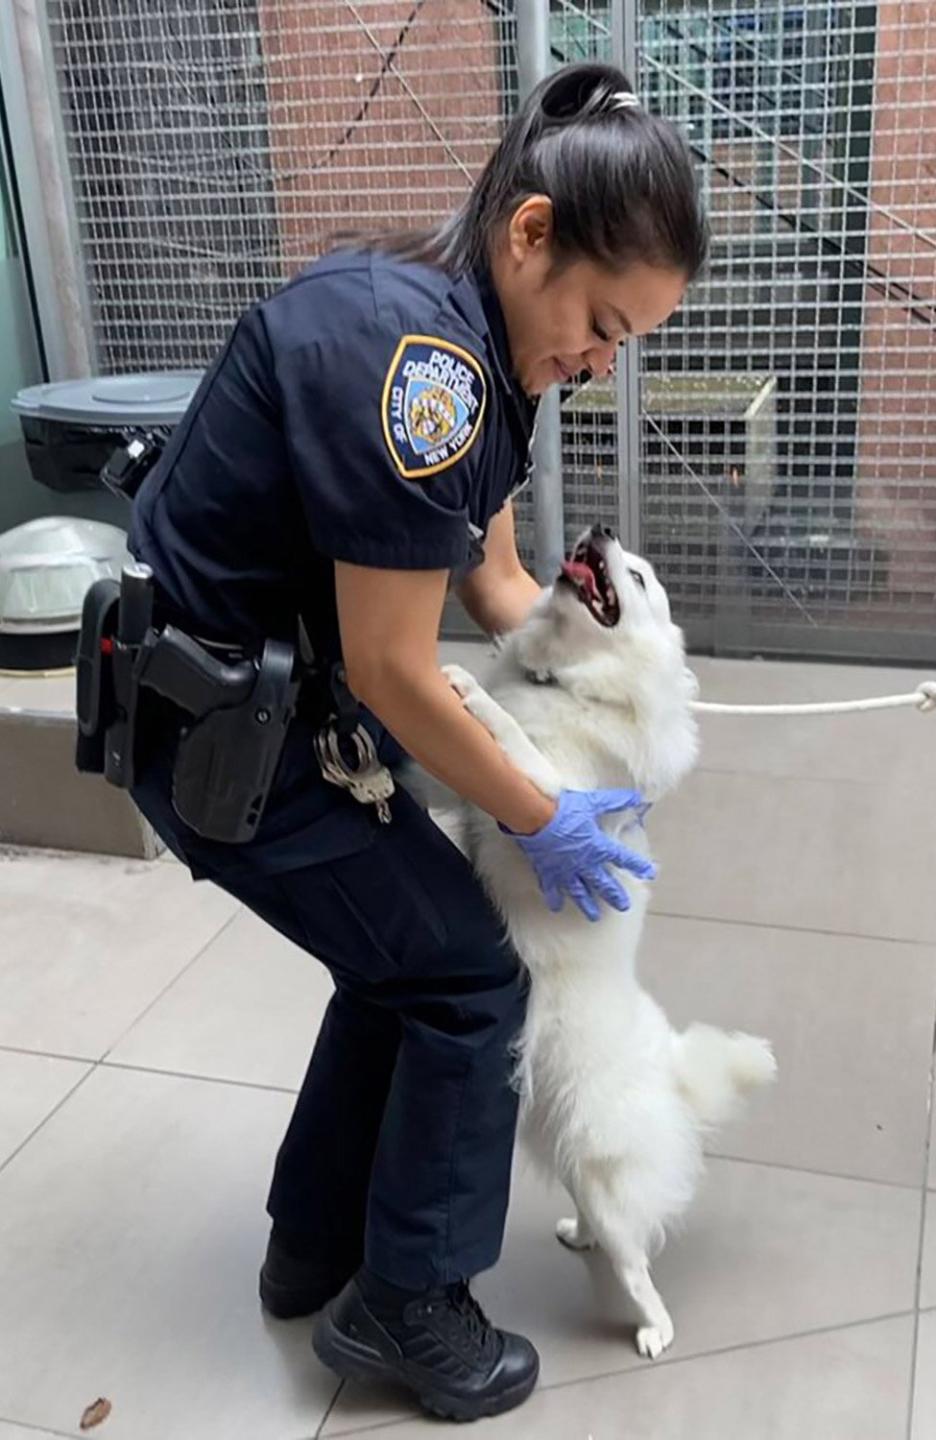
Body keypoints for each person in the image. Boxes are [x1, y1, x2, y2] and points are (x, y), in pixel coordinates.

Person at [124, 62, 707, 1422]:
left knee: (405, 961)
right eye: (603, 324)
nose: (602, 360)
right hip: (221, 737)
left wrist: (613, 651)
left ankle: (313, 1249)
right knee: (467, 978)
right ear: (531, 236)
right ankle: (410, 1305)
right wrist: (535, 812)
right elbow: (397, 670)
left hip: (269, 711)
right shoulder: (426, 375)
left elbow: (489, 590)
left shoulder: (488, 360)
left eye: (627, 344)